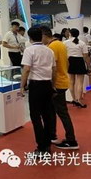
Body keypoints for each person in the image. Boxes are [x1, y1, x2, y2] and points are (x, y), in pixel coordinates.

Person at [20, 27, 56, 155]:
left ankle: (41, 146)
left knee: (35, 116)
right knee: (47, 115)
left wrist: (22, 86)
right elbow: (54, 69)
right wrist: (53, 85)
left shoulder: (29, 50)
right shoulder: (49, 50)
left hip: (36, 85)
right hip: (47, 84)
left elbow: (26, 69)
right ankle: (47, 143)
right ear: (41, 36)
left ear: (30, 38)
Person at [43, 26, 78, 149]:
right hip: (62, 80)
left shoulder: (52, 47)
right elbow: (66, 63)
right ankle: (52, 135)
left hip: (56, 83)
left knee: (62, 112)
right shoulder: (60, 44)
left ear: (44, 35)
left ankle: (71, 140)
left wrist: (51, 84)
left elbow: (51, 68)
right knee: (54, 110)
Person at [64, 28, 91, 108]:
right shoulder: (82, 43)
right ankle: (79, 100)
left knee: (71, 81)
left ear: (70, 34)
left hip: (70, 61)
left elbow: (64, 54)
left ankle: (74, 99)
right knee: (80, 82)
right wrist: (88, 66)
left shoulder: (65, 43)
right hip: (79, 61)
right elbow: (85, 56)